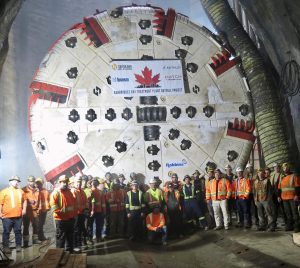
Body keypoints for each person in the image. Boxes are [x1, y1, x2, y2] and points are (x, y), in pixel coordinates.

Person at [0, 176, 27, 253]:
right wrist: (0, 213)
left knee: (18, 231)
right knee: (6, 232)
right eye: (15, 181)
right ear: (10, 182)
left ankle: (18, 246)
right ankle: (6, 247)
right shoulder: (4, 192)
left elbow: (25, 200)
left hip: (18, 216)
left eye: (18, 181)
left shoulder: (20, 191)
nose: (17, 182)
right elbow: (0, 203)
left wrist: (24, 209)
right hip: (7, 217)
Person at [50, 175, 76, 252]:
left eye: (66, 182)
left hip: (70, 218)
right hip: (60, 219)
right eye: (63, 182)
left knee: (70, 237)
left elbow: (73, 204)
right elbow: (54, 207)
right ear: (60, 182)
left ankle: (70, 253)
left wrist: (73, 216)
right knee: (61, 238)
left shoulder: (69, 192)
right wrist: (61, 211)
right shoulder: (56, 193)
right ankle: (59, 255)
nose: (65, 184)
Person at [278, 163, 300, 232]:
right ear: (283, 169)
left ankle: (297, 226)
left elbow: (297, 186)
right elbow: (279, 188)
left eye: (287, 168)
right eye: (284, 168)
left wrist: (297, 195)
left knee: (295, 213)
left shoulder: (294, 176)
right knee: (288, 213)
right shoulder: (282, 178)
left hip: (293, 197)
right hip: (284, 198)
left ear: (289, 168)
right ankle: (290, 226)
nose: (285, 169)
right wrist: (278, 196)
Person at [22, 176, 41, 247]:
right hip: (27, 211)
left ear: (34, 182)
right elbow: (21, 200)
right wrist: (28, 201)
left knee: (35, 226)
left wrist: (38, 209)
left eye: (32, 181)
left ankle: (35, 240)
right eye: (30, 181)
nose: (31, 182)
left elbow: (39, 200)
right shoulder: (24, 189)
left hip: (35, 211)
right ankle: (26, 242)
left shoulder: (37, 190)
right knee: (26, 226)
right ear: (28, 182)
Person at [70, 176, 88, 251]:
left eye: (80, 182)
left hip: (82, 213)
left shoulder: (82, 191)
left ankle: (81, 243)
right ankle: (75, 245)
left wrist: (86, 209)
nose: (79, 183)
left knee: (81, 229)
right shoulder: (73, 191)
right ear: (74, 183)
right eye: (77, 182)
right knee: (76, 230)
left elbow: (86, 201)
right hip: (75, 214)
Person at [87, 178, 106, 243]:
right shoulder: (89, 191)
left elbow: (103, 203)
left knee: (99, 225)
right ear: (91, 183)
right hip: (91, 211)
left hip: (99, 211)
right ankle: (90, 238)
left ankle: (98, 237)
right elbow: (87, 201)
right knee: (90, 226)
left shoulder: (101, 192)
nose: (94, 183)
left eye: (95, 182)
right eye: (93, 182)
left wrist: (104, 211)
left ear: (97, 184)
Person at [35, 177, 50, 242]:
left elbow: (48, 200)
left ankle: (40, 237)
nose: (38, 184)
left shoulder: (46, 191)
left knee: (41, 224)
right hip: (37, 211)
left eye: (40, 183)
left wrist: (48, 207)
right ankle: (40, 237)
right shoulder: (35, 191)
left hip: (44, 210)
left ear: (42, 183)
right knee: (38, 225)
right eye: (37, 183)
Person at [245, 163, 259, 227]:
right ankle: (249, 222)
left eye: (250, 168)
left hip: (254, 193)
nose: (249, 169)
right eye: (248, 168)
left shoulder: (256, 175)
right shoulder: (245, 176)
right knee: (247, 208)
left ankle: (257, 222)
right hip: (248, 194)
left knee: (255, 208)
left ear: (252, 168)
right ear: (247, 169)